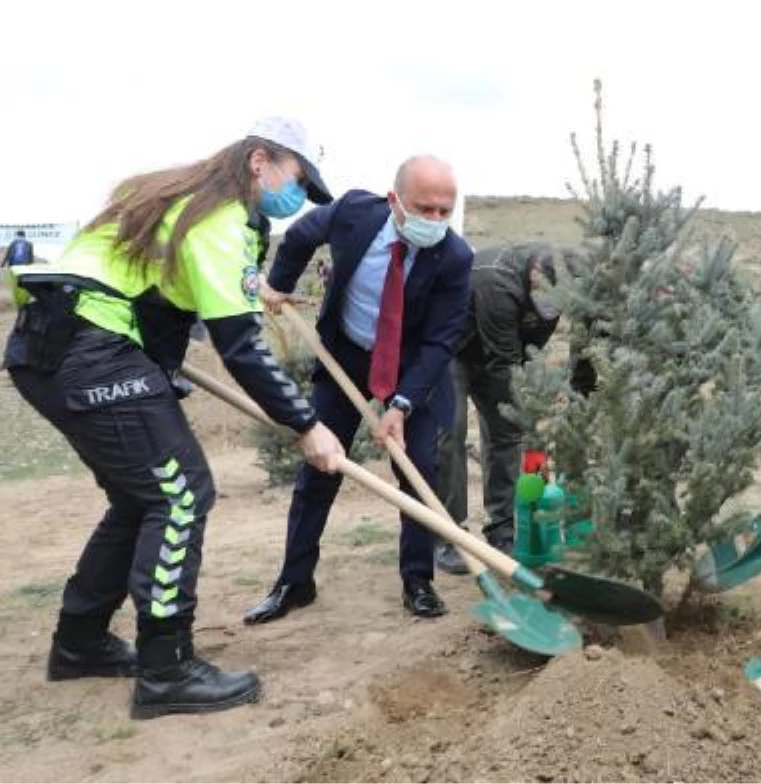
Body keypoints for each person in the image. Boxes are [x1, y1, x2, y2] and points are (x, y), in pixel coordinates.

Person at [2, 116, 344, 719]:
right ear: (260, 161)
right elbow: (240, 345)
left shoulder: (167, 192)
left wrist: (160, 371)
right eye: (298, 178)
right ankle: (166, 670)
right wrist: (306, 425)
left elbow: (155, 304)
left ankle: (79, 643)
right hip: (92, 347)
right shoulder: (222, 217)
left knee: (142, 497)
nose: (297, 200)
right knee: (181, 494)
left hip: (45, 347)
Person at [244, 155, 472, 624]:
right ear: (395, 201)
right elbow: (303, 236)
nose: (434, 221)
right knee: (319, 469)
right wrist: (279, 285)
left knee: (418, 471)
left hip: (411, 367)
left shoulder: (454, 257)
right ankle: (294, 580)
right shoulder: (354, 213)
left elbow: (440, 341)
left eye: (443, 212)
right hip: (346, 353)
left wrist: (402, 405)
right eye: (423, 208)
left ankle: (418, 580)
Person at [433, 243, 568, 574]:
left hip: (497, 355)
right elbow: (504, 360)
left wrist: (528, 401)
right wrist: (524, 406)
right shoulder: (495, 280)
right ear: (534, 276)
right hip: (451, 349)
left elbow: (528, 352)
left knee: (506, 435)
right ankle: (450, 538)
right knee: (450, 432)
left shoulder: (559, 287)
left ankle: (502, 532)